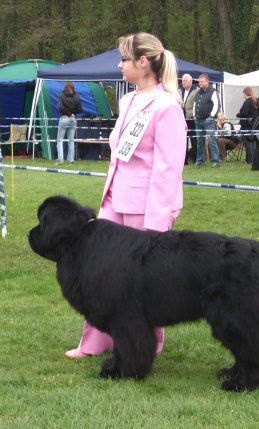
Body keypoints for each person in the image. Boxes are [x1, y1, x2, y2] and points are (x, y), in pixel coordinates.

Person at [65, 32, 187, 359]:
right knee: (98, 270)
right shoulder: (128, 100)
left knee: (143, 278)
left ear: (143, 63)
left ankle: (147, 345)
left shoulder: (167, 107)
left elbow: (168, 167)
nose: (119, 65)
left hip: (146, 205)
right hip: (114, 199)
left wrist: (157, 221)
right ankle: (94, 342)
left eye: (124, 59)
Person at [193, 73, 219, 167]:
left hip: (209, 120)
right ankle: (200, 160)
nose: (199, 83)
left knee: (212, 140)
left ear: (207, 81)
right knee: (200, 141)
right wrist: (194, 115)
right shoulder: (198, 92)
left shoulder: (213, 91)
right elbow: (195, 104)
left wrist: (211, 116)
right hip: (198, 120)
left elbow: (216, 105)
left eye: (201, 81)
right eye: (199, 81)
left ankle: (215, 160)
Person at [56, 81, 82, 165]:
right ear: (73, 87)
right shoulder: (76, 97)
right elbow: (80, 109)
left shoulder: (61, 96)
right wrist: (72, 114)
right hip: (73, 119)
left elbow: (60, 108)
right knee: (71, 141)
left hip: (64, 118)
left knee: (60, 140)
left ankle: (60, 160)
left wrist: (68, 113)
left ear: (65, 87)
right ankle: (70, 160)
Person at [180, 73, 198, 164]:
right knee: (183, 139)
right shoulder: (180, 91)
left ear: (191, 81)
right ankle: (184, 160)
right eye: (182, 81)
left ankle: (195, 159)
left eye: (185, 80)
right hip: (181, 118)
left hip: (191, 118)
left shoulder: (196, 91)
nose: (183, 82)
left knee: (194, 139)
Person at [236, 87, 257, 164]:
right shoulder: (255, 100)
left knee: (248, 143)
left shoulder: (247, 102)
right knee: (251, 142)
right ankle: (252, 159)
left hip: (246, 125)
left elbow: (243, 114)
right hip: (253, 125)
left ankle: (249, 160)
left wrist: (238, 115)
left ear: (245, 93)